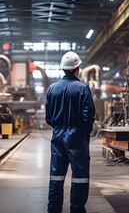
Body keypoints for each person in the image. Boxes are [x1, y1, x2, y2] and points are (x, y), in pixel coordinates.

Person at [45, 51, 96, 213]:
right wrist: (82, 132)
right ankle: (77, 209)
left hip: (58, 135)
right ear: (77, 69)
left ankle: (53, 209)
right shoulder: (83, 89)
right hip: (77, 136)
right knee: (80, 176)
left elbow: (49, 117)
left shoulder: (52, 89)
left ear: (63, 69)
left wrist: (59, 127)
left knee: (56, 176)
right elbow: (89, 118)